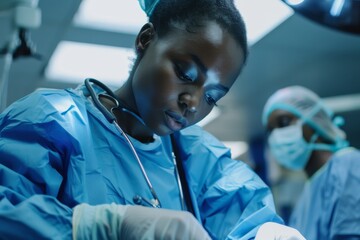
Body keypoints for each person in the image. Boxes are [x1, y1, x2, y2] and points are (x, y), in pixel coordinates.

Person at [0, 0, 307, 239]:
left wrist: (267, 233)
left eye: (213, 96)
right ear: (146, 39)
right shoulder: (51, 121)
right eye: (185, 74)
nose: (194, 103)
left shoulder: (197, 158)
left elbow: (244, 213)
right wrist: (96, 227)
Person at [262, 85, 360, 240]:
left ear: (314, 119)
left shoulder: (350, 166)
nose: (276, 135)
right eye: (270, 130)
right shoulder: (306, 195)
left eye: (284, 122)